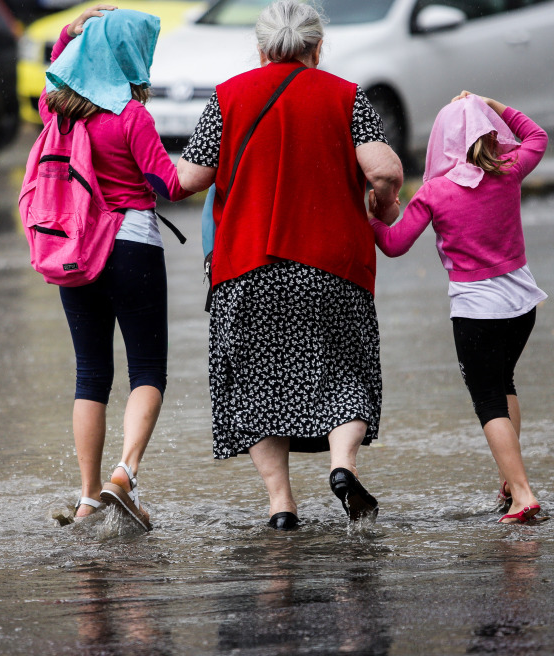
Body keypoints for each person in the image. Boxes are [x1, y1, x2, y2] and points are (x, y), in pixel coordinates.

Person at [176, 0, 404, 530]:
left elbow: (188, 179)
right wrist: (383, 201)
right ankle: (342, 466)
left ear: (259, 49)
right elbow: (383, 168)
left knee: (257, 385)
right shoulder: (347, 97)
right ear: (317, 47)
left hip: (247, 267)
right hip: (332, 267)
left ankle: (281, 505)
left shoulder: (228, 97)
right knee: (343, 373)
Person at [40, 4, 193, 530]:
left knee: (90, 375)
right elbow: (169, 186)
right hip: (131, 246)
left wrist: (72, 30)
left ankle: (86, 499)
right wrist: (217, 166)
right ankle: (124, 474)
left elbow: (54, 66)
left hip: (75, 251)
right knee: (148, 370)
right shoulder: (132, 117)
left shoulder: (57, 110)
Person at [370, 91, 547, 524]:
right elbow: (537, 136)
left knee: (488, 401)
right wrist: (493, 102)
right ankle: (510, 479)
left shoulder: (435, 193)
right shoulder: (508, 171)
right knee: (504, 384)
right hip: (522, 305)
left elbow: (394, 244)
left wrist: (371, 215)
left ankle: (523, 493)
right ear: (489, 132)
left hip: (477, 312)